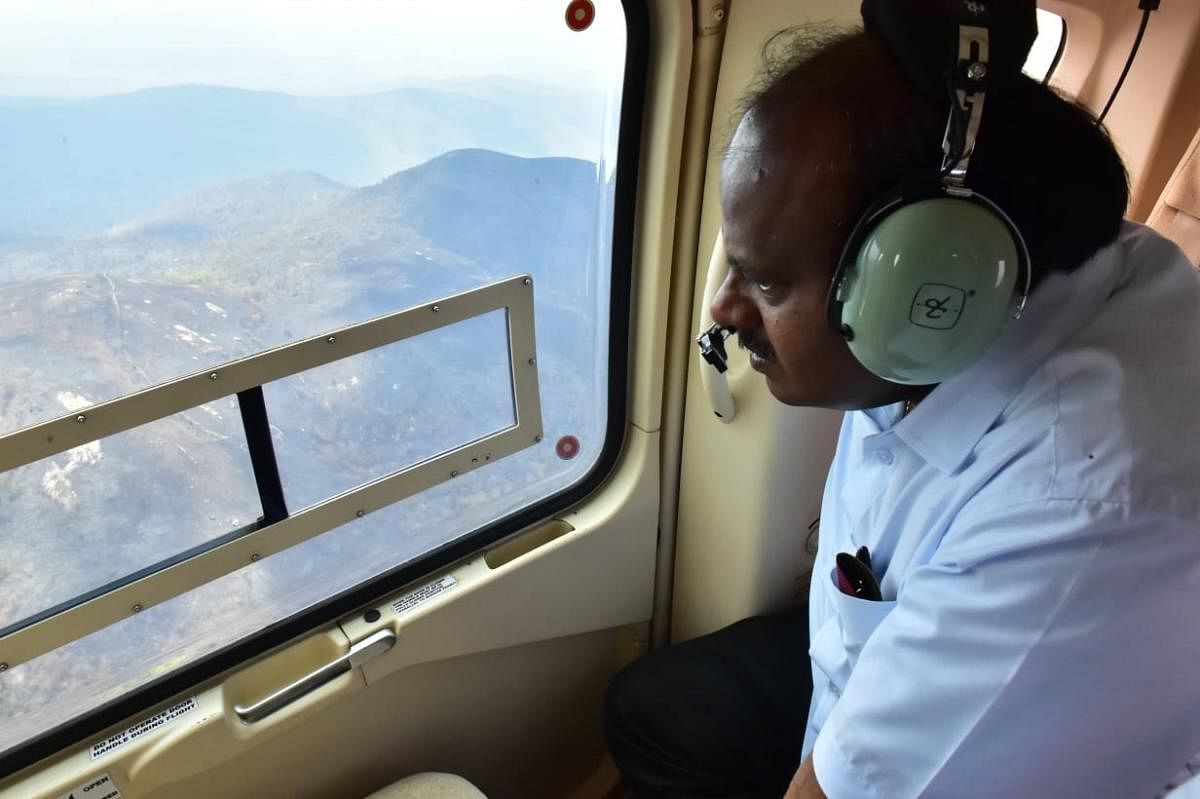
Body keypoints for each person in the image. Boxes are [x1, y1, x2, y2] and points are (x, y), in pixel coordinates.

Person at [604, 2, 1200, 798]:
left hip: (1019, 732)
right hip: (879, 655)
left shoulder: (1083, 498)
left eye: (768, 279)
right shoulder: (988, 286)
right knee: (655, 710)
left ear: (930, 286)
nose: (724, 308)